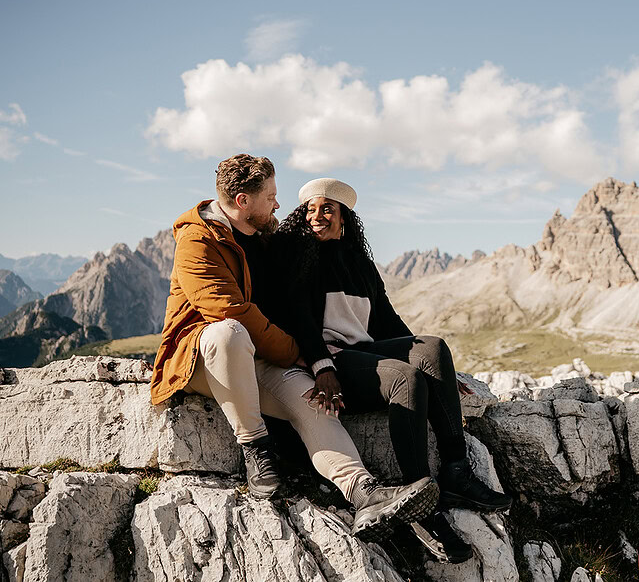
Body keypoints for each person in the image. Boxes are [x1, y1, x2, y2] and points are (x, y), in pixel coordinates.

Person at [149, 154, 439, 542]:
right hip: (201, 359)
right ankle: (255, 447)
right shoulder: (197, 240)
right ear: (242, 201)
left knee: (311, 401)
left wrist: (313, 365)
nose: (278, 204)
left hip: (257, 358)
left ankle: (363, 492)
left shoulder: (263, 236)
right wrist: (295, 353)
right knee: (229, 332)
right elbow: (227, 309)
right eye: (270, 196)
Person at [268, 177, 513, 564]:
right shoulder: (296, 255)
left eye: (327, 208)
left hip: (364, 353)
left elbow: (388, 322)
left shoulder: (359, 264)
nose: (317, 216)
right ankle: (422, 506)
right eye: (311, 209)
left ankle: (456, 473)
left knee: (432, 348)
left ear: (344, 218)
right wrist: (322, 367)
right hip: (332, 360)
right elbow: (298, 319)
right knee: (405, 378)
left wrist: (441, 371)